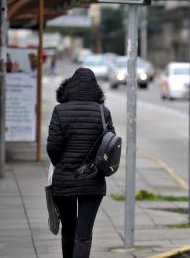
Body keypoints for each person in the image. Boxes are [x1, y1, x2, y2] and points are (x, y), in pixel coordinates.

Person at [47, 68, 115, 258]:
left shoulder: (60, 111)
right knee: (83, 235)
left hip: (64, 181)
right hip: (93, 181)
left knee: (68, 230)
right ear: (95, 89)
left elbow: (52, 147)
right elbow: (111, 144)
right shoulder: (103, 112)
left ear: (69, 87)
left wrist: (62, 165)